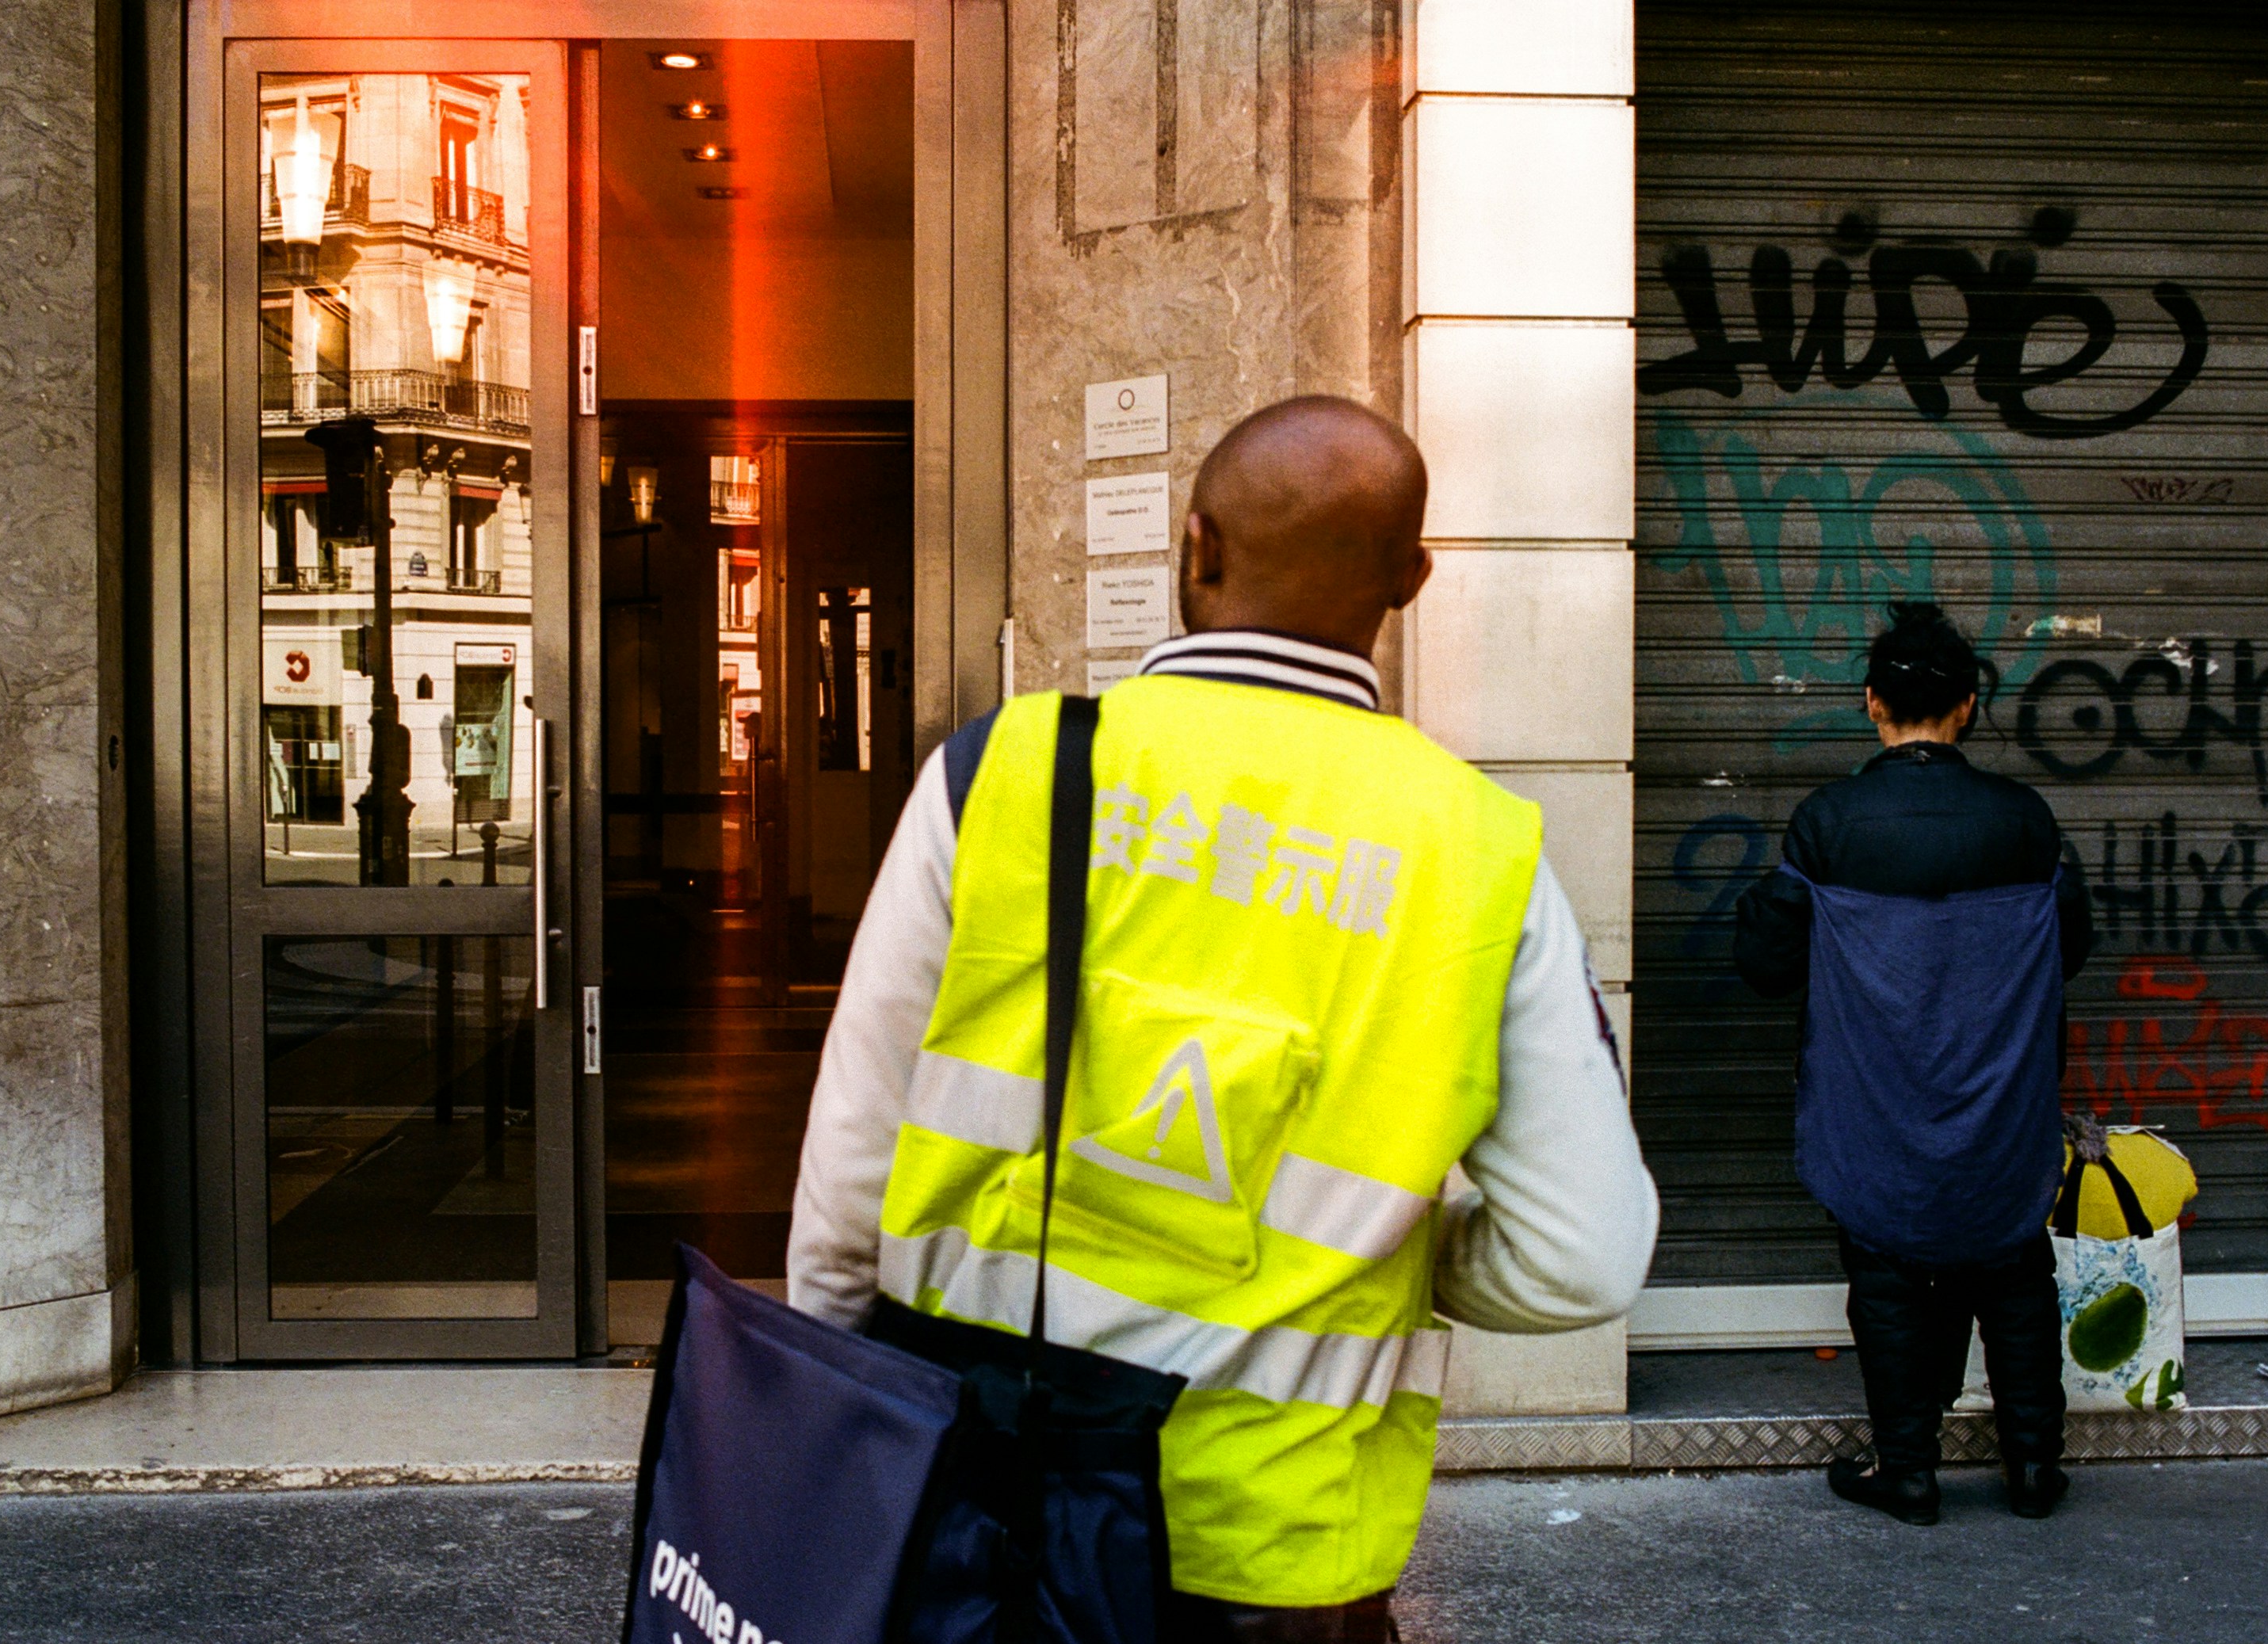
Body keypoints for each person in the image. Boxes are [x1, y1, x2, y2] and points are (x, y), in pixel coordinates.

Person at [788, 395, 1658, 1639]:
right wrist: (1387, 1245)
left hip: (978, 1511)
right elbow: (1586, 1255)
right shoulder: (1479, 852)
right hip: (1277, 1570)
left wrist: (835, 1438)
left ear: (1192, 545)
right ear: (1408, 579)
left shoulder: (1003, 769)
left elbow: (849, 1179)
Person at [1732, 602, 2095, 1526]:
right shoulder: (2024, 820)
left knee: (1886, 1279)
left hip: (1876, 1107)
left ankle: (1908, 1471)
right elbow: (2073, 946)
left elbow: (1766, 966)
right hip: (2002, 1104)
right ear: (1967, 708)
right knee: (2014, 1272)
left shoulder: (1829, 822)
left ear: (1871, 704)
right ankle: (2033, 1467)